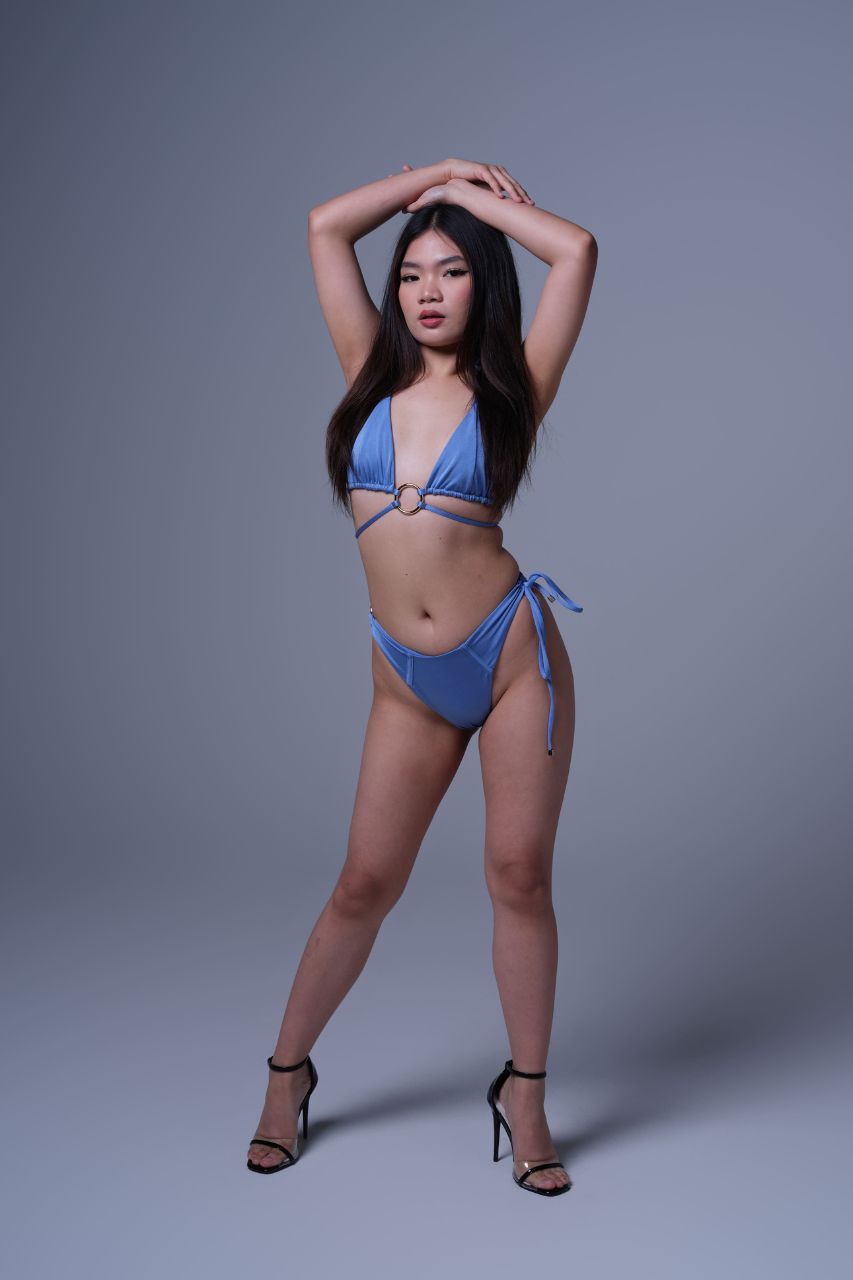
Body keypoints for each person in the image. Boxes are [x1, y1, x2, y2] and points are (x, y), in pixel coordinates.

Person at [246, 157, 597, 1196]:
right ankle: (286, 1075)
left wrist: (478, 203)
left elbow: (576, 250)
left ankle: (525, 1096)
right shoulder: (368, 369)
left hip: (511, 658)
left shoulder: (513, 387)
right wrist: (438, 172)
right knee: (363, 883)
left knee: (518, 877)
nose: (427, 291)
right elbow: (324, 225)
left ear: (484, 283)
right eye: (410, 273)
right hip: (407, 676)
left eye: (452, 271)